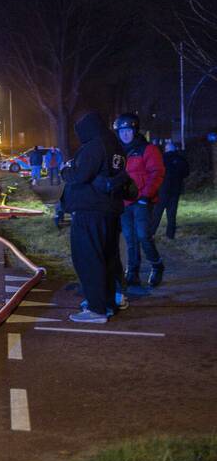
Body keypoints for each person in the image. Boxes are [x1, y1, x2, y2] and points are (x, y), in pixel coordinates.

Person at [62, 112, 127, 324]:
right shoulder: (115, 147)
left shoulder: (94, 147)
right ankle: (106, 303)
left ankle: (96, 309)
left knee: (88, 259)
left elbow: (80, 176)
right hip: (109, 210)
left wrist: (66, 170)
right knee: (106, 259)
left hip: (90, 211)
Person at [114, 113, 165, 288]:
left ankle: (156, 265)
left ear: (135, 131)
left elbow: (157, 173)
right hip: (124, 202)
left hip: (142, 200)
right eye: (122, 131)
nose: (125, 134)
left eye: (128, 130)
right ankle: (133, 272)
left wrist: (146, 196)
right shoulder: (117, 152)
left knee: (143, 235)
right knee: (130, 238)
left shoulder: (147, 149)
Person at [153, 140, 190, 239]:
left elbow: (156, 173)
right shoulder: (181, 159)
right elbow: (186, 173)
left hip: (163, 190)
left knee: (157, 213)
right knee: (172, 214)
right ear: (174, 149)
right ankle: (170, 235)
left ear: (166, 150)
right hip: (175, 190)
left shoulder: (162, 159)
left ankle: (151, 233)